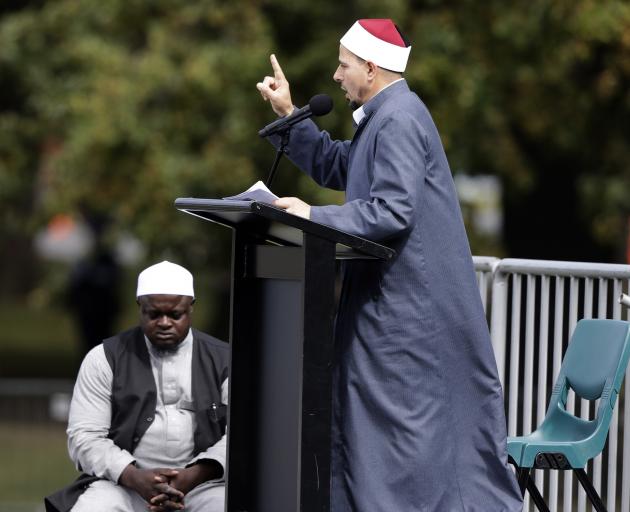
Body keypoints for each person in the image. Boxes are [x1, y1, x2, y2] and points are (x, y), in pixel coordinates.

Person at [256, 19, 523, 511]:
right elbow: (342, 166)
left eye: (344, 65)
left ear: (371, 68)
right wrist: (290, 113)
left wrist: (312, 213)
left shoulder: (396, 118)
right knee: (384, 437)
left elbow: (393, 210)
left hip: (409, 315)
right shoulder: (387, 114)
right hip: (395, 307)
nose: (336, 76)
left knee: (403, 441)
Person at [45, 261, 229, 512]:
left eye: (175, 314)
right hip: (123, 484)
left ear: (191, 308)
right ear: (139, 308)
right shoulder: (105, 358)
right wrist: (134, 477)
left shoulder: (225, 360)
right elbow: (85, 436)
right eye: (154, 314)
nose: (164, 322)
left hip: (204, 485)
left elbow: (241, 437)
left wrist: (195, 475)